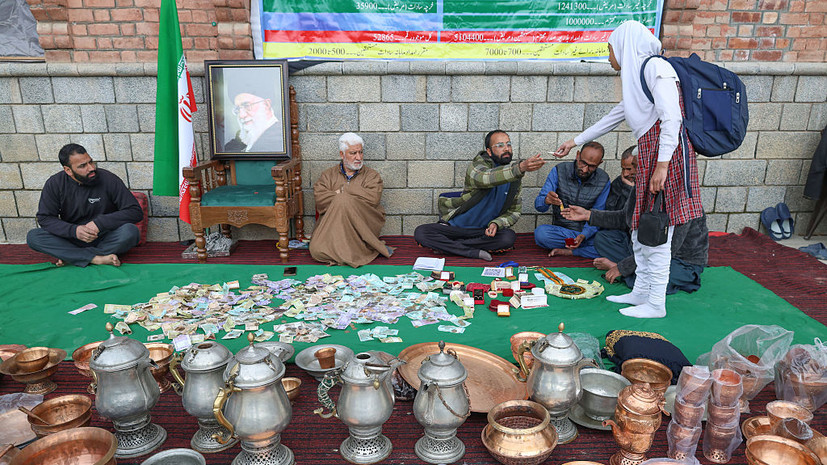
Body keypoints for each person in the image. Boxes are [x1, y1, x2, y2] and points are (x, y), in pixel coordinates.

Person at [553, 20, 704, 319]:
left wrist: (661, 167)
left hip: (668, 159)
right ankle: (641, 292)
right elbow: (613, 117)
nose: (609, 57)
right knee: (639, 228)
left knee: (658, 232)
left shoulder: (656, 69)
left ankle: (656, 304)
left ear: (625, 47)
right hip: (650, 157)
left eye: (609, 50)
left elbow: (671, 120)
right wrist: (574, 142)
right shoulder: (638, 80)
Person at [414, 130, 546, 261]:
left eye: (509, 144)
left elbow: (514, 212)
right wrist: (520, 168)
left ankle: (449, 247)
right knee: (422, 232)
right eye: (500, 145)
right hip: (455, 229)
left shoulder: (515, 178)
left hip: (482, 232)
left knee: (508, 237)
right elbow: (486, 178)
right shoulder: (477, 167)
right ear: (489, 151)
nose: (506, 149)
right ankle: (473, 252)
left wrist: (496, 223)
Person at [563, 186, 709, 294]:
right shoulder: (640, 187)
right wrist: (589, 215)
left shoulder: (684, 199)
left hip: (678, 260)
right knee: (603, 238)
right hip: (641, 249)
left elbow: (668, 249)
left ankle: (625, 272)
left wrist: (622, 267)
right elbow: (624, 218)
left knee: (656, 281)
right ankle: (634, 268)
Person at [26, 143, 142, 267]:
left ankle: (73, 257)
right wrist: (74, 231)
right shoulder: (55, 183)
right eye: (83, 166)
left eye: (90, 162)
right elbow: (45, 218)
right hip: (72, 239)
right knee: (33, 237)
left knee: (131, 232)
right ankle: (97, 258)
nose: (91, 168)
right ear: (68, 170)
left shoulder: (108, 179)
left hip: (104, 236)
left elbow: (135, 211)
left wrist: (99, 224)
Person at [309, 133, 392, 267]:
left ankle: (343, 253)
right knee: (316, 251)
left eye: (360, 152)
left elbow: (373, 199)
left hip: (363, 226)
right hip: (333, 227)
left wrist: (342, 192)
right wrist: (344, 198)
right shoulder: (328, 175)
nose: (358, 157)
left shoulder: (372, 176)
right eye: (353, 153)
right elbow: (320, 199)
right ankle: (345, 252)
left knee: (343, 200)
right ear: (342, 155)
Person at [534, 141, 610, 258]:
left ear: (600, 163)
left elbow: (598, 215)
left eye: (591, 166)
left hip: (588, 233)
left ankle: (571, 251)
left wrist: (584, 235)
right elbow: (539, 206)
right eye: (583, 163)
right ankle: (588, 250)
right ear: (577, 155)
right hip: (563, 231)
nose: (585, 170)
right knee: (541, 234)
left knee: (611, 241)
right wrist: (546, 200)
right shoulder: (559, 170)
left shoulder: (603, 180)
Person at [592, 145, 637, 271]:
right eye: (623, 169)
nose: (625, 174)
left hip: (643, 238)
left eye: (629, 169)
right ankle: (631, 262)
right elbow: (613, 213)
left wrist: (631, 190)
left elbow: (633, 217)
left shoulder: (650, 184)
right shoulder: (619, 182)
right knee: (601, 238)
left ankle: (627, 265)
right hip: (623, 234)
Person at [223, 87, 283, 153]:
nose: (241, 115)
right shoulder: (243, 138)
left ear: (266, 104)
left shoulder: (278, 137)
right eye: (237, 109)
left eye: (247, 106)